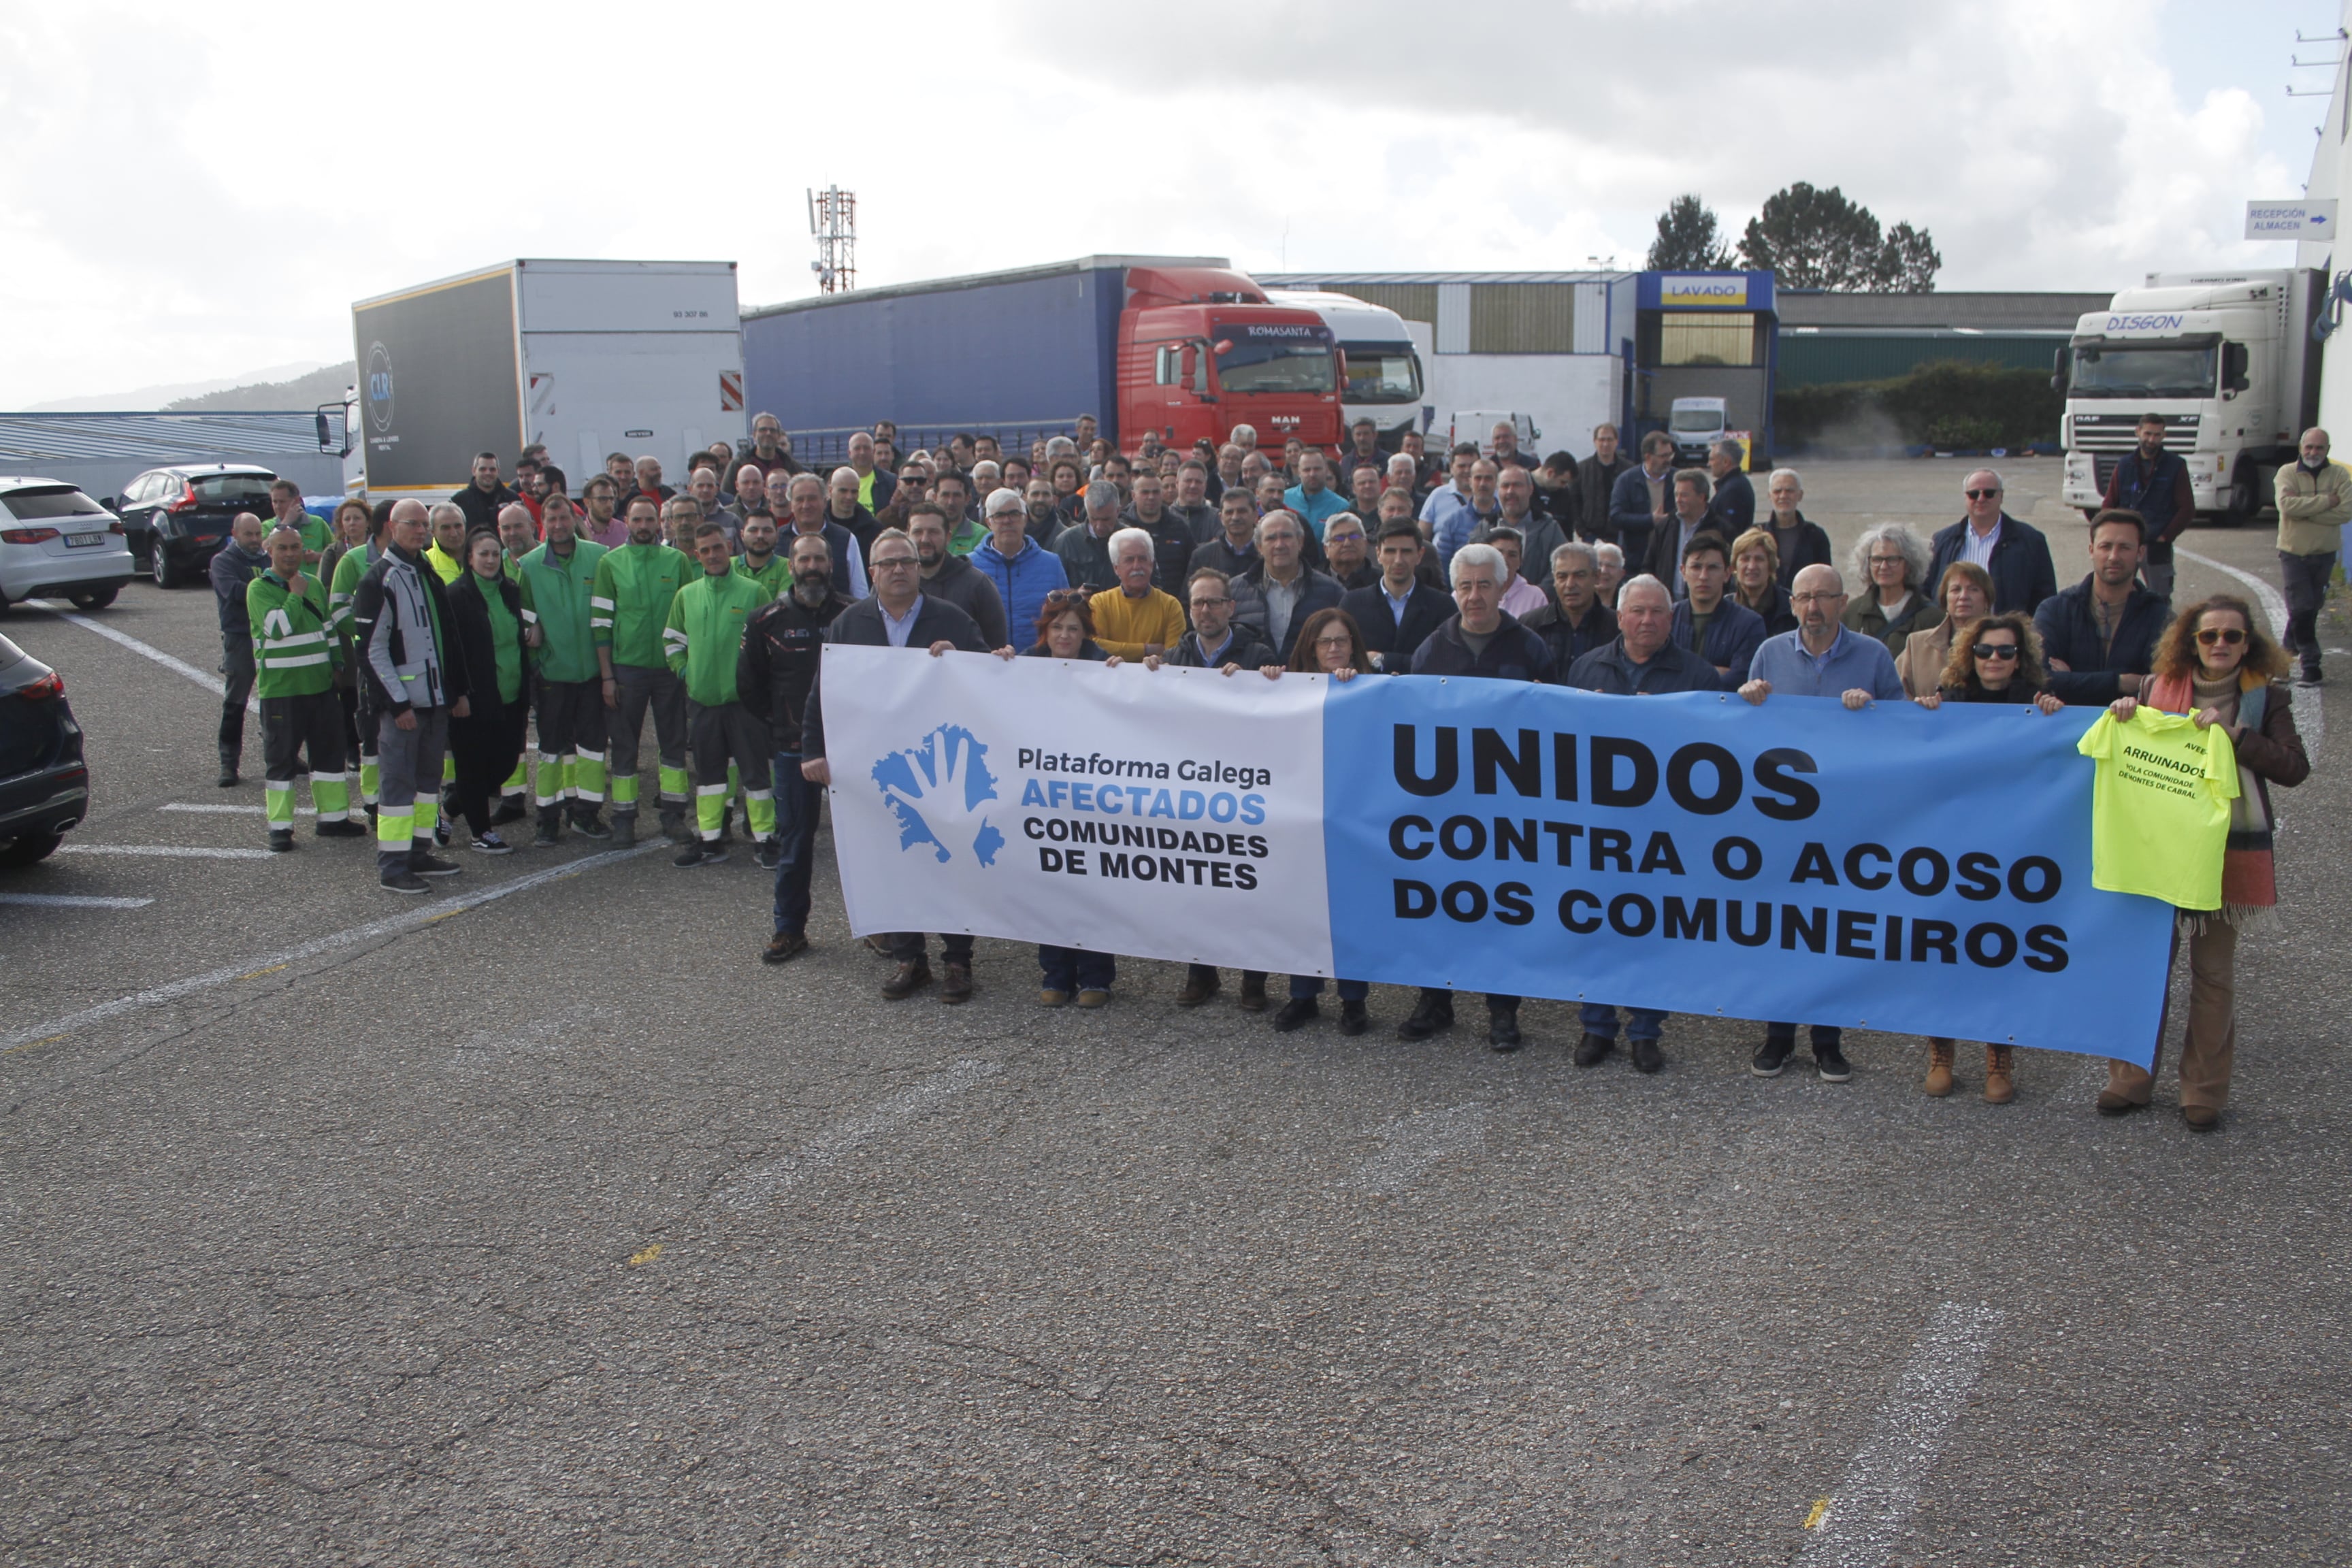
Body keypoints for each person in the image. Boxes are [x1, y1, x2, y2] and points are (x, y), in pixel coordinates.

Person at [2099, 595, 2308, 1130]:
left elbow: (2293, 767)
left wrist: (2237, 738)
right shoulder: (2153, 689)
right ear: (2190, 641)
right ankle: (2129, 1079)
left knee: (2213, 974)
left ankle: (2204, 1091)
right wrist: (2123, 715)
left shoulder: (2268, 698)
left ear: (2249, 643)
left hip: (2228, 854)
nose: (2220, 645)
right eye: (2209, 635)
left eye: (2232, 637)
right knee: (2147, 969)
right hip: (2160, 850)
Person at [801, 529, 994, 1002]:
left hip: (943, 766)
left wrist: (962, 662)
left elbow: (990, 682)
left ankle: (956, 961)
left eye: (906, 561)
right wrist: (813, 749)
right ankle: (911, 958)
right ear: (872, 572)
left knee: (949, 860)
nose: (898, 570)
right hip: (879, 770)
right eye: (888, 564)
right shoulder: (850, 624)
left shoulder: (951, 619)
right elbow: (822, 692)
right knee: (894, 860)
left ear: (919, 567)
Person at [1733, 564, 1907, 1083]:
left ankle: (1829, 1041)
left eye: (1824, 597)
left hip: (1845, 820)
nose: (1814, 607)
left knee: (1833, 929)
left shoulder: (1873, 656)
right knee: (1782, 929)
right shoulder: (1771, 652)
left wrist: (1872, 709)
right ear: (1792, 604)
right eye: (1805, 597)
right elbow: (1747, 729)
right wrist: (1748, 700)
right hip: (1783, 820)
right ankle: (1779, 1035)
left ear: (1843, 601)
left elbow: (1904, 727)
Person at [1908, 613, 2066, 1101]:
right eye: (1984, 651)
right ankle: (1942, 1049)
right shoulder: (1948, 702)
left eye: (2005, 652)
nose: (1994, 660)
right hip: (1953, 845)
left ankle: (2000, 1054)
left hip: (2012, 848)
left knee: (2000, 950)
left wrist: (2057, 720)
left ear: (2021, 659)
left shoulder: (2035, 706)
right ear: (1968, 656)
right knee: (1945, 947)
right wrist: (1920, 718)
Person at [1560, 574, 1713, 1072]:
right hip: (1597, 823)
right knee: (1595, 925)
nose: (1647, 621)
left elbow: (1715, 755)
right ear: (1620, 615)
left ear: (1673, 618)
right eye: (1638, 611)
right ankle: (1596, 1025)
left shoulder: (1698, 676)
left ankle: (1646, 1030)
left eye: (1658, 612)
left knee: (1652, 930)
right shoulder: (1586, 668)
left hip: (1663, 828)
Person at [1405, 543, 1551, 1050]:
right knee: (1438, 905)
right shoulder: (1431, 651)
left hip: (1508, 808)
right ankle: (1436, 1001)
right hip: (1445, 808)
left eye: (1484, 585)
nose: (1474, 596)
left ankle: (1502, 1011)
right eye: (1465, 586)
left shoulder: (1530, 649)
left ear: (1502, 586)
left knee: (1502, 908)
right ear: (1454, 591)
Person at [1260, 608, 1375, 1034]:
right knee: (1300, 907)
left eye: (1341, 641)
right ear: (1310, 646)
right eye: (1324, 641)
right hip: (1300, 816)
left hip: (1351, 819)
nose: (1333, 649)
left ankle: (1354, 1001)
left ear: (1353, 645)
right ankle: (1303, 995)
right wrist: (1268, 681)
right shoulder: (1289, 687)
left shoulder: (1371, 688)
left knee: (1349, 912)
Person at [351, 500, 469, 894]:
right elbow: (371, 650)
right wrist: (398, 703)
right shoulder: (379, 580)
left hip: (434, 703)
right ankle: (393, 865)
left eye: (424, 525)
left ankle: (418, 852)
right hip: (405, 708)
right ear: (392, 527)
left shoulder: (425, 573)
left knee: (425, 785)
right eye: (412, 524)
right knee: (398, 788)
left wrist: (454, 692)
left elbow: (446, 640)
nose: (420, 531)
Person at [743, 533, 849, 964]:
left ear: (830, 566)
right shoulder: (765, 620)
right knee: (795, 843)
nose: (811, 566)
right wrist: (784, 728)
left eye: (819, 559)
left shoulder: (854, 615)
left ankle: (882, 931)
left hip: (851, 750)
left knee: (862, 844)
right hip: (793, 750)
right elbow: (749, 687)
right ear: (791, 566)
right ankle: (788, 927)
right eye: (803, 559)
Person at [664, 523, 777, 868]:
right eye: (705, 550)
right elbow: (672, 642)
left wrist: (756, 685)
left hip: (744, 704)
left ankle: (766, 840)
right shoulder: (686, 595)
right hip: (703, 703)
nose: (712, 555)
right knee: (710, 777)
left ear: (730, 547)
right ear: (696, 555)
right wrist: (686, 672)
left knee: (756, 776)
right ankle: (711, 840)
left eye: (718, 548)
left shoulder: (754, 592)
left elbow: (770, 646)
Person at [245, 523, 359, 850]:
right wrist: (295, 595)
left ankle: (333, 820)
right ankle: (280, 829)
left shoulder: (312, 584)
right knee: (281, 761)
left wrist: (337, 661)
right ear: (270, 551)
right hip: (282, 691)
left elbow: (328, 626)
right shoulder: (259, 588)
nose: (291, 553)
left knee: (329, 757)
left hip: (321, 688)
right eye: (283, 548)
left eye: (295, 547)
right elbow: (277, 629)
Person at [591, 495, 693, 847]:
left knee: (673, 745)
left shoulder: (677, 560)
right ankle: (624, 819)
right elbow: (601, 625)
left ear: (660, 523)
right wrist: (607, 676)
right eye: (638, 520)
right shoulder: (610, 563)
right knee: (624, 747)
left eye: (651, 520)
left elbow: (688, 616)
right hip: (627, 670)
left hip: (668, 669)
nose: (645, 527)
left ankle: (674, 815)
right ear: (627, 522)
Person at [516, 493, 612, 846]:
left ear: (575, 521)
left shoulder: (599, 557)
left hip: (590, 674)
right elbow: (524, 618)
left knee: (591, 748)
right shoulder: (528, 565)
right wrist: (538, 660)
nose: (558, 526)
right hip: (553, 675)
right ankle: (547, 819)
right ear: (542, 525)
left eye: (563, 519)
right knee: (551, 751)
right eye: (551, 520)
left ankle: (585, 814)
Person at [444, 532, 530, 854]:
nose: (491, 560)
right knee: (472, 767)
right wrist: (457, 695)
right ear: (469, 558)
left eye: (496, 554)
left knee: (505, 764)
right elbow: (450, 651)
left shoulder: (509, 591)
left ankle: (450, 809)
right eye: (484, 554)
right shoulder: (456, 595)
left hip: (511, 695)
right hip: (473, 698)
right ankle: (482, 833)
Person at [2034, 509, 2168, 704]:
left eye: (2124, 548)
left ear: (2140, 553)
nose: (2114, 557)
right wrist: (2121, 682)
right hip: (2067, 728)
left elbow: (2161, 686)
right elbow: (2041, 678)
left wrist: (2073, 680)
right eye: (2105, 546)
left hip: (2130, 729)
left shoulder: (2160, 616)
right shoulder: (2055, 610)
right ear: (2091, 550)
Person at [2273, 426, 2348, 687]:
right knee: (2302, 607)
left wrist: (2304, 510)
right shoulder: (2286, 473)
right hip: (2293, 552)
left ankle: (2281, 662)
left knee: (2309, 609)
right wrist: (2328, 501)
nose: (2313, 452)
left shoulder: (2340, 475)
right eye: (2309, 447)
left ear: (2328, 450)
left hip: (2325, 553)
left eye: (2319, 448)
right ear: (2301, 448)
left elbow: (2346, 512)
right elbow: (2286, 506)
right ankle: (2311, 664)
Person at [327, 502, 388, 815]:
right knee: (373, 732)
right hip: (370, 662)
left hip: (405, 661)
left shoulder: (417, 560)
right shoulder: (352, 560)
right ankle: (373, 802)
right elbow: (337, 609)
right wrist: (367, 636)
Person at [1926, 469, 2057, 615]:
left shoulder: (2031, 541)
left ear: (2001, 496)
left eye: (1988, 493)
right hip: (1952, 632)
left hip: (2006, 633)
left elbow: (2045, 597)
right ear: (1965, 498)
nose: (1981, 499)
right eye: (1973, 494)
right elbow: (1927, 592)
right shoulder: (1942, 541)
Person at [2102, 411, 2192, 602]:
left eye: (2157, 435)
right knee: (2116, 595)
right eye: (2148, 434)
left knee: (2161, 599)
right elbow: (2109, 504)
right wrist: (2108, 536)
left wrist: (2165, 536)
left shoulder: (2176, 466)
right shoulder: (2124, 465)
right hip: (2126, 543)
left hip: (2157, 545)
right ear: (2138, 432)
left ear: (2164, 436)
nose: (2152, 440)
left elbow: (2187, 508)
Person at [1231, 511, 1344, 664]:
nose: (1279, 545)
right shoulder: (1234, 591)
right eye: (1271, 538)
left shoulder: (1332, 591)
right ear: (1259, 547)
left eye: (1286, 536)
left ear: (1300, 542)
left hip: (1309, 684)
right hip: (1253, 683)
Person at [1341, 519, 1450, 673]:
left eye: (1406, 552)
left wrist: (1382, 660)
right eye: (1390, 551)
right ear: (1378, 554)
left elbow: (1446, 661)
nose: (1398, 560)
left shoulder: (1442, 606)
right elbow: (1341, 657)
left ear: (1420, 555)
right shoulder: (1352, 604)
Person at [970, 486, 1068, 654]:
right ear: (989, 522)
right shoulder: (969, 565)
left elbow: (1066, 615)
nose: (1008, 521)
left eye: (1014, 514)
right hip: (985, 662)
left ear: (1025, 519)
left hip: (1038, 664)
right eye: (1000, 515)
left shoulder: (1051, 564)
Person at [210, 511, 269, 786]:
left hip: (271, 635)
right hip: (240, 637)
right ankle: (228, 763)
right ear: (235, 535)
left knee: (276, 700)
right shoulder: (223, 561)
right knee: (235, 703)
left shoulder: (270, 559)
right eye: (249, 534)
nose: (255, 540)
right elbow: (233, 592)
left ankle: (282, 755)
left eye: (258, 534)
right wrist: (268, 590)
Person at [907, 503, 1009, 650]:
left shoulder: (978, 585)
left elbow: (995, 650)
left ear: (948, 537)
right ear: (907, 536)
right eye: (918, 532)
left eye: (933, 532)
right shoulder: (894, 583)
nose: (925, 539)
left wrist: (957, 654)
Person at [1670, 532, 1765, 685]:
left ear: (1727, 574)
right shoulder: (1667, 618)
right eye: (1696, 567)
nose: (1703, 576)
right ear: (1683, 572)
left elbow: (1739, 681)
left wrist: (1683, 677)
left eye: (1712, 568)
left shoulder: (1749, 624)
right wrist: (1714, 672)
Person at [1895, 559, 1993, 700]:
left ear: (1987, 600)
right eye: (1956, 590)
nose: (1963, 596)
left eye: (1973, 589)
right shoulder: (1917, 644)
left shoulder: (2003, 643)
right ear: (1945, 599)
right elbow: (1897, 696)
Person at [1842, 523, 1939, 655]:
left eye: (1893, 559)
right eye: (1877, 559)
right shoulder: (1851, 613)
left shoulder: (1932, 617)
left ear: (1909, 564)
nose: (1883, 566)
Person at [1089, 528, 1187, 658]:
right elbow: (1094, 648)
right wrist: (1146, 650)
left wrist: (1118, 650)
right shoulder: (1100, 603)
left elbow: (1174, 657)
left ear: (1152, 564)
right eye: (1129, 560)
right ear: (1116, 568)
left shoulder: (1170, 606)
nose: (1137, 566)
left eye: (1142, 559)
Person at [1523, 541, 1618, 674]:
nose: (1570, 584)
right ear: (1554, 581)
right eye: (1562, 576)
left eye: (1579, 575)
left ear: (1596, 577)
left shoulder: (1618, 627)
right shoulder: (1531, 625)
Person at [1163, 568, 1275, 672]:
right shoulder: (1172, 659)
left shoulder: (1259, 657)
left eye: (1215, 602)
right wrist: (1151, 672)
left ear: (1231, 608)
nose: (1205, 610)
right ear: (1190, 610)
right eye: (1198, 603)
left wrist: (1245, 681)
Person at [785, 472, 868, 598]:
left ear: (825, 502)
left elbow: (860, 593)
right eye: (800, 499)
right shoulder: (777, 540)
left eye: (812, 499)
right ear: (791, 504)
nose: (806, 505)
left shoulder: (846, 539)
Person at [1608, 431, 1676, 566]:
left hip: (1669, 554)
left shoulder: (1677, 479)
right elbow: (1616, 516)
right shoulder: (1627, 480)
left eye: (1670, 455)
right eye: (1663, 456)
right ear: (1648, 457)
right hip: (1637, 556)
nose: (1668, 460)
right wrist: (1650, 520)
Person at [1644, 468, 1715, 595]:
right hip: (1668, 603)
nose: (1678, 500)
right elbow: (1649, 565)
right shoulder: (1665, 526)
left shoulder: (1719, 529)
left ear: (1701, 497)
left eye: (1684, 495)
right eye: (1676, 495)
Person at [1121, 470, 1195, 591]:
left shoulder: (1180, 527)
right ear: (1134, 495)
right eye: (1145, 492)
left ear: (1162, 494)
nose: (1151, 497)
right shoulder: (1123, 529)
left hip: (1173, 604)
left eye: (1156, 492)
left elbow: (1192, 569)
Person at [1760, 470, 1833, 587]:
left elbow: (1825, 577)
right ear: (1769, 496)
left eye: (1790, 491)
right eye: (1777, 491)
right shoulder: (1758, 535)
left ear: (1800, 495)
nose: (1783, 496)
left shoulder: (1816, 536)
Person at [1054, 480, 1126, 593]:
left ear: (1118, 511)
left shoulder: (1133, 541)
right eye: (1094, 519)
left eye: (1106, 519)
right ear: (1087, 511)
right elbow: (1053, 591)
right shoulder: (1067, 542)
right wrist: (1076, 595)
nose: (1100, 526)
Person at [1728, 529, 1796, 637]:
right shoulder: (1722, 610)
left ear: (1771, 566)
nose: (1751, 566)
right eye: (1745, 559)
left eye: (1759, 559)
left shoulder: (1791, 608)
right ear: (1734, 567)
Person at [1418, 444, 1480, 561]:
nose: (1467, 471)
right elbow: (1422, 537)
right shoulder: (1438, 495)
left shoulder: (1493, 496)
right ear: (1452, 468)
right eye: (1462, 466)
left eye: (1471, 466)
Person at [1576, 425, 1635, 544]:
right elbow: (1574, 500)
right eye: (1602, 439)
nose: (1605, 444)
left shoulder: (1629, 471)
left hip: (1620, 535)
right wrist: (1581, 529)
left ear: (1617, 442)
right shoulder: (1582, 469)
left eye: (1610, 440)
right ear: (1595, 441)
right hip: (1590, 535)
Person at [1191, 489, 1262, 578]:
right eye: (1229, 512)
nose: (1235, 517)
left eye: (1242, 511)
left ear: (1255, 515)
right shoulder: (1202, 556)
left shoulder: (1267, 554)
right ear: (1221, 518)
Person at [1482, 528, 1552, 620]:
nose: (1505, 560)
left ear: (1520, 562)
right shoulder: (1469, 592)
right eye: (1498, 553)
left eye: (1512, 555)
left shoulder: (1535, 597)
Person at [263, 478, 331, 566]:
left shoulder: (318, 523)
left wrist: (317, 556)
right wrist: (284, 524)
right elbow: (263, 552)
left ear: (296, 501)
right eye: (275, 502)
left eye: (282, 502)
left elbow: (335, 554)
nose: (277, 506)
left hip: (312, 578)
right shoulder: (268, 526)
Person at [1284, 449, 1349, 540]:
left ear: (1326, 470)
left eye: (1317, 469)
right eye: (1307, 470)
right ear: (1299, 472)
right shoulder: (1285, 499)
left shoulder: (1341, 507)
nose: (1312, 474)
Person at [451, 451, 520, 535]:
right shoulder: (459, 500)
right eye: (483, 469)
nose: (488, 473)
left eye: (492, 469)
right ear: (474, 471)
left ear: (498, 471)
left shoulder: (513, 498)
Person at [825, 464, 883, 558]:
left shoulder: (874, 529)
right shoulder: (818, 526)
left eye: (854, 492)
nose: (849, 497)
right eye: (843, 491)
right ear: (830, 491)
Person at [736, 509, 790, 597]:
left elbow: (783, 607)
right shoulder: (729, 566)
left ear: (777, 536)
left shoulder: (788, 567)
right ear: (742, 535)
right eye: (753, 530)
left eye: (767, 531)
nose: (760, 536)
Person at [1705, 440, 1755, 536]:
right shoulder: (1732, 485)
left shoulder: (1733, 491)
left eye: (1712, 459)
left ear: (1726, 462)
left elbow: (1729, 531)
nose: (1708, 464)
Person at [1321, 511, 1377, 591]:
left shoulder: (1382, 583)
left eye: (1354, 536)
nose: (1347, 543)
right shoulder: (1311, 583)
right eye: (1339, 539)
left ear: (1365, 543)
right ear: (1326, 549)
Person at [845, 430, 896, 514]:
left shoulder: (891, 482)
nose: (862, 452)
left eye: (866, 448)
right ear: (850, 453)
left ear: (874, 452)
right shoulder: (839, 481)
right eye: (857, 448)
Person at [577, 475, 626, 549]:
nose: (609, 504)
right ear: (587, 502)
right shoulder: (578, 533)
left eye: (612, 499)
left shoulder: (625, 532)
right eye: (603, 499)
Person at [424, 502, 468, 584]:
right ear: (432, 531)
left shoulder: (483, 556)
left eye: (458, 526)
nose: (454, 534)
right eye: (446, 528)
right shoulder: (426, 562)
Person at [1595, 541, 1627, 609]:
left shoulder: (1626, 604)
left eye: (1610, 566)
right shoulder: (1580, 602)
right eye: (1599, 565)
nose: (1603, 571)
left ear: (1621, 574)